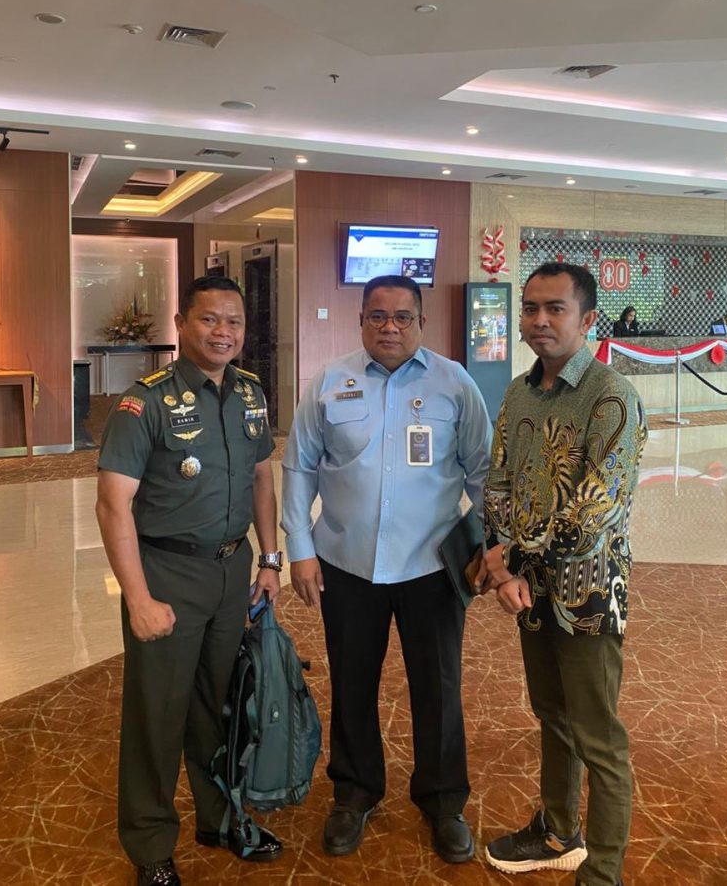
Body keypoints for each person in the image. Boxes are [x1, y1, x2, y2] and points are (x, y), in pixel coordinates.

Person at [281, 275, 492, 864]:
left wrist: (489, 546)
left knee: (439, 687)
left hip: (432, 566)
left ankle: (443, 801)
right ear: (361, 321)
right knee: (352, 683)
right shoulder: (330, 382)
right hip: (347, 564)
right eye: (377, 316)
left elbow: (484, 471)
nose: (390, 327)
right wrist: (299, 547)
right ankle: (354, 792)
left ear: (422, 321)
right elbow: (298, 466)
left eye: (402, 317)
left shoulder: (455, 382)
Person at [96, 276, 284, 886]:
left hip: (231, 571)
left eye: (234, 321)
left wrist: (270, 559)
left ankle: (218, 817)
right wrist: (138, 598)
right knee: (158, 712)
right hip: (167, 572)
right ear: (181, 324)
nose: (223, 332)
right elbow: (112, 506)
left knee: (220, 704)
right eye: (209, 319)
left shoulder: (250, 392)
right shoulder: (145, 402)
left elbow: (261, 478)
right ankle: (150, 845)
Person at [479, 262, 647, 886]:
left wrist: (514, 564)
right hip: (529, 591)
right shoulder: (519, 392)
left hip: (589, 594)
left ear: (588, 318)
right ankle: (556, 831)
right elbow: (498, 482)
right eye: (531, 308)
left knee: (597, 735)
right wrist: (503, 565)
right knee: (550, 712)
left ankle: (602, 872)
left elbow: (593, 512)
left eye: (556, 308)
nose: (540, 320)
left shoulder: (612, 396)